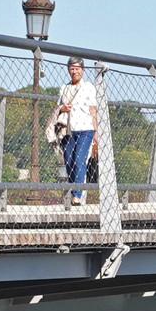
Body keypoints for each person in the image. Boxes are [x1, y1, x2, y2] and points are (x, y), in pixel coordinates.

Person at [53, 56, 97, 206]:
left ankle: (76, 195)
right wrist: (62, 109)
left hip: (86, 129)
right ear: (68, 70)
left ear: (83, 70)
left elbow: (93, 110)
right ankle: (74, 191)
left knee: (79, 160)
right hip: (67, 130)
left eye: (77, 68)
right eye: (72, 68)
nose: (74, 71)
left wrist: (96, 132)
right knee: (69, 162)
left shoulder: (89, 87)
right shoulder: (64, 88)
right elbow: (57, 109)